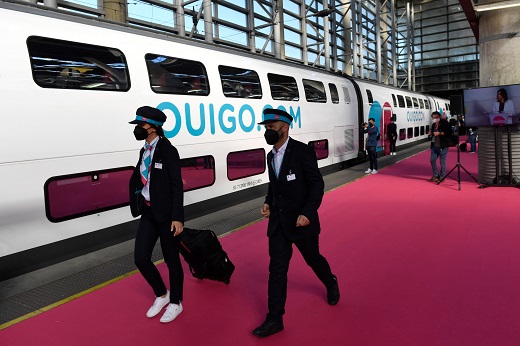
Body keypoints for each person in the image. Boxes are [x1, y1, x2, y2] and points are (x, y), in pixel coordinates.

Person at [252, 108, 339, 338]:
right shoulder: (271, 156)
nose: (267, 131)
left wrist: (308, 212)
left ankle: (330, 281)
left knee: (313, 259)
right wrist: (268, 202)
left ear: (285, 127)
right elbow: (274, 185)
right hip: (279, 223)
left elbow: (316, 184)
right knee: (277, 270)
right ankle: (274, 319)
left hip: (302, 221)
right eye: (266, 128)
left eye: (271, 127)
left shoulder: (302, 152)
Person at [129, 106, 185, 323]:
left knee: (172, 261)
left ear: (154, 127)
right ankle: (162, 294)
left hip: (168, 216)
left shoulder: (168, 151)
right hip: (149, 212)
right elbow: (141, 177)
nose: (138, 129)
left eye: (141, 125)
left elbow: (176, 185)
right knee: (141, 257)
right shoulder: (144, 150)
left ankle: (176, 302)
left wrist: (178, 217)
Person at [429, 111, 452, 182]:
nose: (435, 119)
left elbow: (449, 133)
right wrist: (431, 133)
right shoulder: (433, 125)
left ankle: (442, 177)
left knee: (442, 162)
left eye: (437, 117)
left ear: (440, 117)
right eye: (434, 118)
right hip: (435, 146)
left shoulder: (444, 124)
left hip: (443, 146)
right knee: (432, 160)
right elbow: (433, 133)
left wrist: (439, 133)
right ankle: (435, 175)